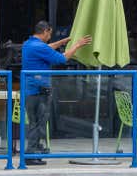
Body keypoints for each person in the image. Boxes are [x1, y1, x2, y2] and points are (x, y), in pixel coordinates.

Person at [22, 20, 92, 165]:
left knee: (34, 122)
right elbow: (62, 58)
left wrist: (63, 41)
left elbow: (48, 48)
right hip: (39, 91)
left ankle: (33, 152)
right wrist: (77, 45)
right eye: (50, 34)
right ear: (46, 31)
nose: (50, 37)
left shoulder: (29, 44)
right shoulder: (39, 47)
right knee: (39, 123)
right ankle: (31, 154)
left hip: (29, 90)